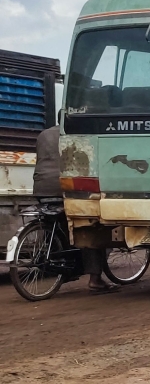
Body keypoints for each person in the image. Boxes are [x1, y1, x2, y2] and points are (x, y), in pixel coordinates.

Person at [33, 126, 118, 293]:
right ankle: (95, 280)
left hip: (41, 188)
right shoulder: (77, 133)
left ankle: (65, 266)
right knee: (90, 226)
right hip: (65, 186)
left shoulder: (44, 135)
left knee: (57, 225)